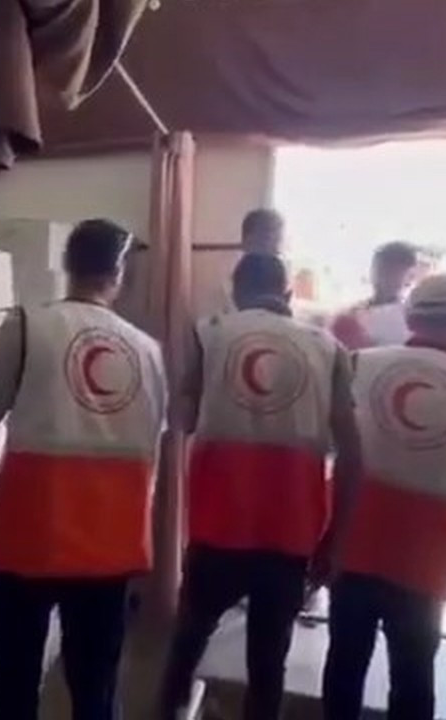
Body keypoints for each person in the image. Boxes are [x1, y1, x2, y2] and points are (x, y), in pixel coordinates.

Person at [0, 218, 168, 720]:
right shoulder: (150, 354)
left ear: (67, 264)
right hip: (109, 549)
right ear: (119, 275)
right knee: (96, 694)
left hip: (29, 540)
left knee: (14, 692)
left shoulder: (29, 326)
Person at [158, 254, 362, 720]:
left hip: (217, 525)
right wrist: (336, 539)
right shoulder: (328, 348)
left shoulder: (210, 333)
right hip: (290, 533)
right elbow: (353, 455)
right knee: (268, 664)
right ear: (288, 294)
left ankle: (168, 711)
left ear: (235, 293)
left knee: (188, 643)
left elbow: (181, 418)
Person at [321, 275, 446, 720]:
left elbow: (331, 443)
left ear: (410, 318)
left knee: (344, 665)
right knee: (413, 677)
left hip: (353, 542)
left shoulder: (357, 366)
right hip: (428, 560)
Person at [330, 241, 421, 349]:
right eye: (380, 269)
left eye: (391, 272)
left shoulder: (412, 319)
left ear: (410, 277)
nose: (382, 277)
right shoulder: (351, 314)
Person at [209, 208, 287, 315]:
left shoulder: (276, 266)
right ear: (248, 240)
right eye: (267, 237)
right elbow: (243, 302)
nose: (274, 244)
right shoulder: (248, 266)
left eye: (278, 238)